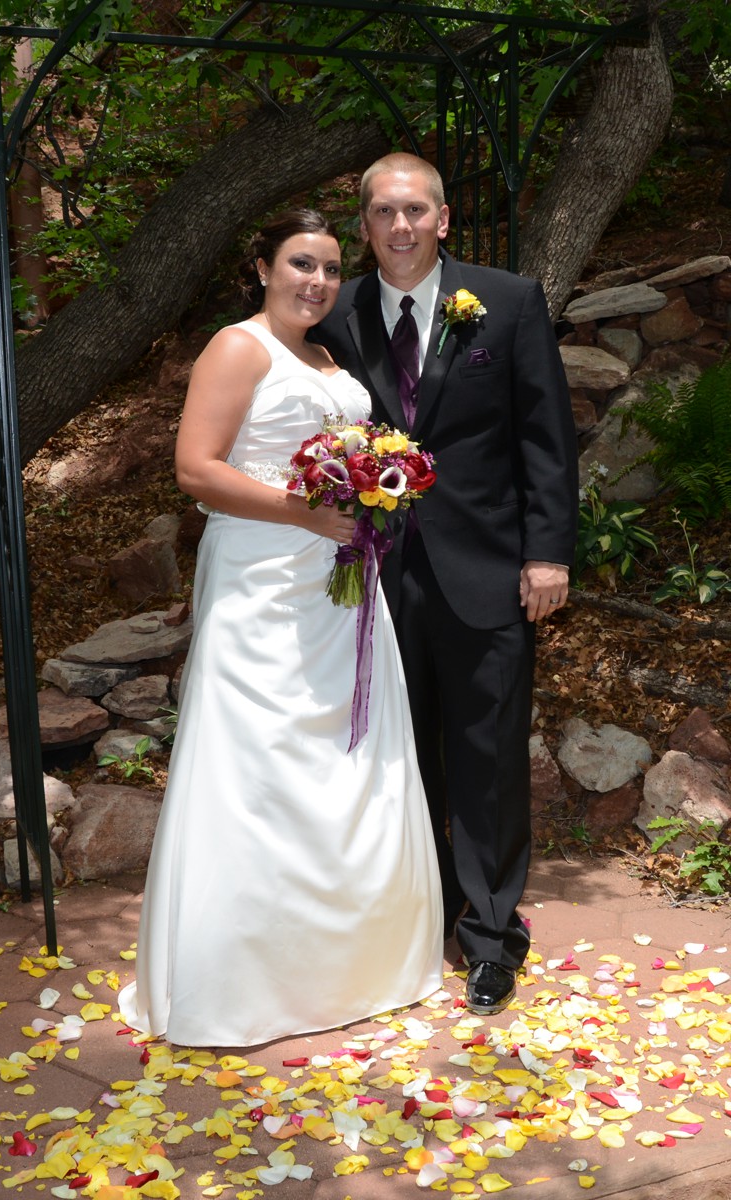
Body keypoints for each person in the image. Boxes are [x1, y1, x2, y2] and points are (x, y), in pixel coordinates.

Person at [118, 208, 444, 1048]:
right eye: (302, 263)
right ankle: (239, 985)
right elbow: (197, 469)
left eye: (333, 269)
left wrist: (375, 491)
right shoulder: (238, 347)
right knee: (258, 764)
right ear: (262, 267)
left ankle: (356, 968)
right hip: (263, 578)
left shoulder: (330, 360)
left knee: (347, 758)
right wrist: (304, 513)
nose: (319, 282)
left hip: (340, 581)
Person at [315, 154, 579, 1016]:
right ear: (364, 225)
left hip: (488, 571)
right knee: (399, 756)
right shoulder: (338, 313)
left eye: (415, 211)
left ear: (444, 219)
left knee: (488, 758)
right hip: (375, 574)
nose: (400, 226)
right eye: (384, 212)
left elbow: (545, 437)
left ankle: (494, 937)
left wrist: (548, 555)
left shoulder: (505, 302)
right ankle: (421, 917)